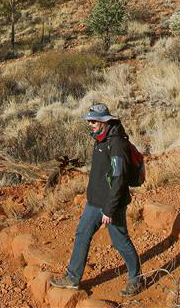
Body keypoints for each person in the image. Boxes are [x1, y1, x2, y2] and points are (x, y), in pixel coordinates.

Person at [51, 104, 142, 298]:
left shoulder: (117, 144)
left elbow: (119, 179)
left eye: (93, 121)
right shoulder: (100, 139)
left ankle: (136, 279)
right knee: (82, 234)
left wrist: (109, 209)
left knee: (120, 242)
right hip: (94, 202)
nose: (90, 124)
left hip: (111, 205)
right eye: (89, 120)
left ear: (104, 121)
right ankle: (72, 278)